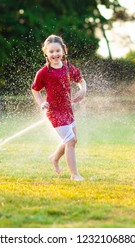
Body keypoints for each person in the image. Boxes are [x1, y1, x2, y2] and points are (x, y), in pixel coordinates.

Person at [31, 34, 87, 181]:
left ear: (63, 50)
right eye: (51, 52)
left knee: (73, 140)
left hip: (68, 109)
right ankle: (74, 175)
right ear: (46, 53)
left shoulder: (68, 67)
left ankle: (54, 157)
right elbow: (35, 89)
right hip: (54, 112)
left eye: (57, 51)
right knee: (70, 141)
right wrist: (41, 103)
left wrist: (83, 89)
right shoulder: (44, 72)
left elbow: (81, 80)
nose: (55, 54)